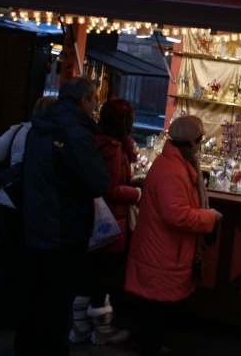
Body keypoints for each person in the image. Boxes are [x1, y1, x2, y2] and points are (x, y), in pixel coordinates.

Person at [14, 77, 111, 356]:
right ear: (84, 101)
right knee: (56, 300)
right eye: (94, 100)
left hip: (37, 221)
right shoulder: (76, 133)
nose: (95, 106)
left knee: (33, 293)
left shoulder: (40, 126)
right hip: (64, 227)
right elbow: (97, 182)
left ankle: (25, 347)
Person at [124, 115, 221, 356]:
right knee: (160, 309)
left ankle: (148, 344)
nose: (200, 146)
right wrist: (210, 217)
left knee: (157, 309)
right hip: (163, 252)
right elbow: (176, 216)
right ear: (189, 143)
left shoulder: (175, 162)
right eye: (199, 141)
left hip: (164, 249)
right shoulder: (173, 170)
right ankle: (149, 347)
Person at [69, 98, 141, 345]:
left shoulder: (98, 140)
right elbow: (110, 188)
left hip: (93, 217)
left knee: (89, 272)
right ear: (123, 122)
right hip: (109, 220)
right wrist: (137, 193)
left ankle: (79, 326)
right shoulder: (112, 147)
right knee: (101, 274)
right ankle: (101, 328)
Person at [0, 95, 56, 329]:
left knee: (5, 260)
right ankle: (22, 313)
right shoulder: (55, 137)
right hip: (37, 206)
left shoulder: (18, 131)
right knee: (30, 263)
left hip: (10, 202)